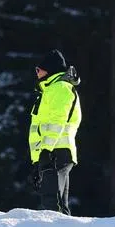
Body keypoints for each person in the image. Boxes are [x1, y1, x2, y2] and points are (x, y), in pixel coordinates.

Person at [29, 49, 81, 215]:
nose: (36, 73)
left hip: (57, 151)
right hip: (51, 152)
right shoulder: (48, 91)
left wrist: (46, 149)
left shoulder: (60, 88)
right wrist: (36, 161)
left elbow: (57, 121)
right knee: (54, 202)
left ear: (49, 69)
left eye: (39, 69)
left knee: (53, 203)